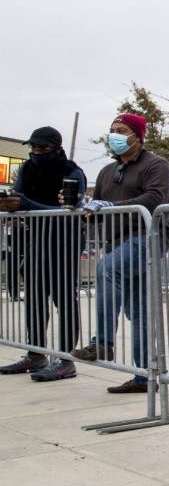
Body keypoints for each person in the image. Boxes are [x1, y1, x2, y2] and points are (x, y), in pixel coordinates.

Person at [71, 113, 169, 394]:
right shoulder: (107, 172)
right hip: (117, 241)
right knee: (139, 310)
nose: (115, 135)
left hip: (147, 236)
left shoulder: (156, 165)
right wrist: (83, 209)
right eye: (112, 130)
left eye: (122, 130)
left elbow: (154, 199)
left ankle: (102, 342)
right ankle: (145, 376)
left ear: (137, 136)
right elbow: (99, 211)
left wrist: (107, 207)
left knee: (107, 269)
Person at [0, 127, 87, 381]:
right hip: (37, 238)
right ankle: (36, 354)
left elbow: (70, 209)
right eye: (34, 148)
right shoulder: (27, 168)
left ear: (56, 148)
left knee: (64, 297)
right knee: (35, 296)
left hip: (65, 238)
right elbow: (18, 196)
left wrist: (25, 204)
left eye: (42, 149)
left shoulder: (72, 172)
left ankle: (66, 358)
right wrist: (10, 203)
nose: (36, 153)